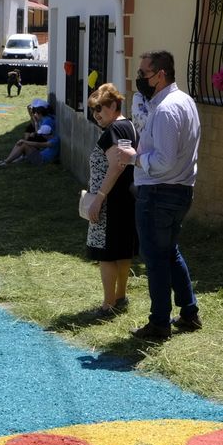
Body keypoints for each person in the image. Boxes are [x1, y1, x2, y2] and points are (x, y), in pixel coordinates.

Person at [110, 50, 200, 341]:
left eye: (144, 74)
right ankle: (189, 312)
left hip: (160, 192)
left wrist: (133, 158)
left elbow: (163, 162)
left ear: (161, 75)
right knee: (169, 251)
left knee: (156, 259)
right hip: (180, 191)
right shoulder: (184, 101)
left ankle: (160, 323)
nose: (140, 79)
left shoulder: (166, 111)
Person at [81, 83, 138, 316]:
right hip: (127, 199)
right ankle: (120, 296)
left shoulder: (113, 131)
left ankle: (107, 304)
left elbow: (115, 166)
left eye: (100, 109)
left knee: (106, 255)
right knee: (122, 251)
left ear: (114, 105)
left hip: (110, 201)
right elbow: (123, 163)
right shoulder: (129, 127)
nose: (96, 115)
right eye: (94, 110)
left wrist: (99, 198)